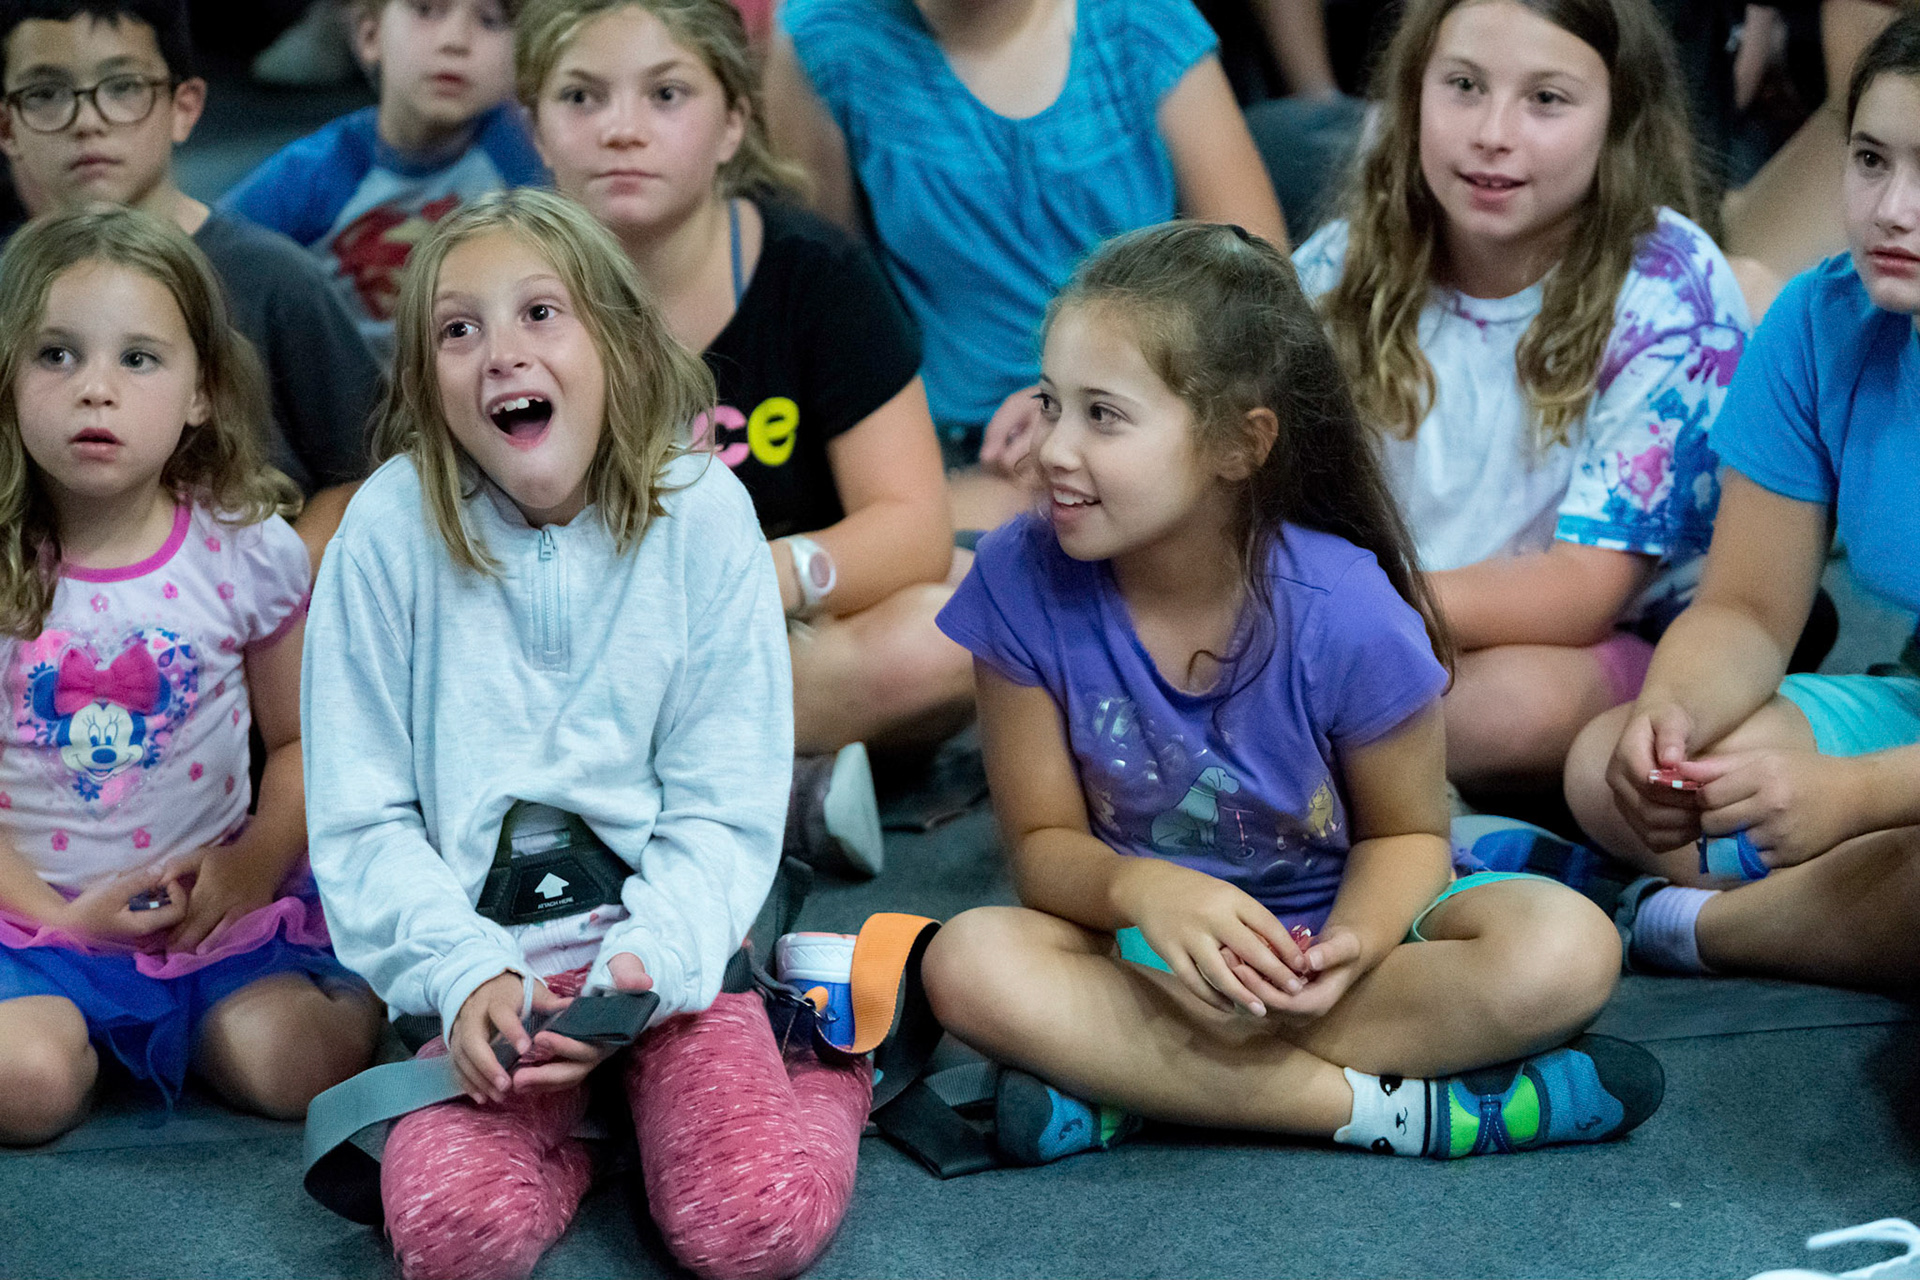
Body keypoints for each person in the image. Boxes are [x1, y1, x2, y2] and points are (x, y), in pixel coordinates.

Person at [926, 221, 1662, 1167]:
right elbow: (1041, 849)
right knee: (967, 961)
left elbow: (1405, 838)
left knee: (1568, 948)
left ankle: (1137, 1090)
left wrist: (1350, 947)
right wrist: (1140, 887)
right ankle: (1399, 1113)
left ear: (1240, 445)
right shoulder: (1018, 578)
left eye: (1103, 415)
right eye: (1050, 402)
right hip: (1145, 955)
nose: (1054, 449)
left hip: (1334, 952)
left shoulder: (1350, 607)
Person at [302, 188, 869, 1280]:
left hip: (670, 968)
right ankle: (607, 1144)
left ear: (616, 338)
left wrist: (644, 967)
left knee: (751, 1222)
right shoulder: (383, 531)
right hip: (488, 995)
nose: (500, 353)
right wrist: (464, 974)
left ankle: (831, 1076)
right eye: (457, 329)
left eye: (540, 315)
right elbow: (364, 819)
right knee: (450, 1232)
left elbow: (721, 807)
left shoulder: (704, 515)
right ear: (427, 384)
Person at [517, 0, 970, 874]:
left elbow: (911, 525)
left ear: (733, 122)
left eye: (666, 94)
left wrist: (757, 579)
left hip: (778, 623)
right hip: (578, 649)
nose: (621, 129)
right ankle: (766, 796)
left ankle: (658, 800)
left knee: (970, 612)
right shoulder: (501, 295)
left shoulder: (816, 273)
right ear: (534, 128)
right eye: (581, 97)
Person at [1295, 0, 1751, 793]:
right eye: (1464, 85)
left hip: (1589, 640)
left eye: (1546, 99)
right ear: (1412, 95)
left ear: (1618, 119)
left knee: (1507, 709)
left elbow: (1584, 592)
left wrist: (1363, 607)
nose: (1492, 132)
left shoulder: (1671, 291)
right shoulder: (1343, 265)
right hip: (1382, 620)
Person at [0, 207, 380, 1145]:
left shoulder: (243, 552)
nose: (96, 390)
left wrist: (249, 869)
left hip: (207, 922)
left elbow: (295, 744)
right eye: (56, 356)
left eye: (138, 360)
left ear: (201, 393)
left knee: (296, 1068)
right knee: (27, 1084)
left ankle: (379, 996)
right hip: (28, 919)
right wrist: (60, 919)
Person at [1563, 10, 1920, 988]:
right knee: (1609, 768)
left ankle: (1713, 928)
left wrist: (1853, 795)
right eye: (1872, 159)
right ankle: (1856, 899)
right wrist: (1669, 722)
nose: (1893, 209)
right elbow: (1750, 608)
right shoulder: (1818, 317)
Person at [766, 0, 1287, 531]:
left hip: (1138, 417)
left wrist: (1067, 398)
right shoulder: (825, 35)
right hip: (955, 457)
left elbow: (1259, 282)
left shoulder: (1138, 18)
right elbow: (830, 307)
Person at [0, 0, 383, 499]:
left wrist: (273, 569)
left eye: (123, 88)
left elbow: (375, 476)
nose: (86, 120)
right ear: (7, 127)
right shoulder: (8, 290)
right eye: (47, 93)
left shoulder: (275, 279)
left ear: (184, 108)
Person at [219, 0, 546, 356]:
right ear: (370, 36)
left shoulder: (534, 154)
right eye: (427, 10)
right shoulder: (313, 174)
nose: (456, 40)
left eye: (490, 20)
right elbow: (204, 260)